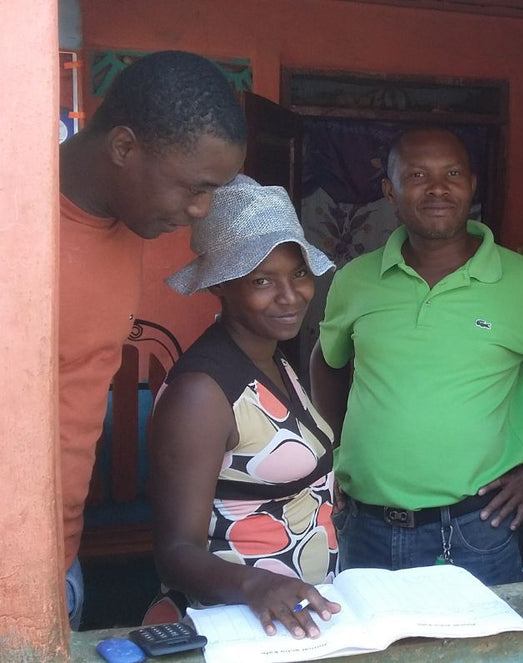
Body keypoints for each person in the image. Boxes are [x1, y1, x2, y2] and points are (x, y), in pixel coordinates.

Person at [310, 126, 523, 586]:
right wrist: (335, 447)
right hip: (365, 529)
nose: (438, 188)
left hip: (475, 532)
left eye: (452, 173)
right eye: (417, 174)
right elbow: (328, 359)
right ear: (390, 191)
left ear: (471, 185)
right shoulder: (356, 281)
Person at [58, 50, 247, 628]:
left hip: (59, 557)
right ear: (123, 148)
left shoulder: (124, 220)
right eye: (194, 187)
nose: (199, 210)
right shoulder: (17, 219)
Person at [144, 175, 340, 639]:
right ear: (221, 287)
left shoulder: (272, 357)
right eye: (262, 281)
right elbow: (174, 550)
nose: (291, 296)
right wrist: (256, 585)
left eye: (298, 273)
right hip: (241, 625)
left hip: (296, 618)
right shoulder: (203, 391)